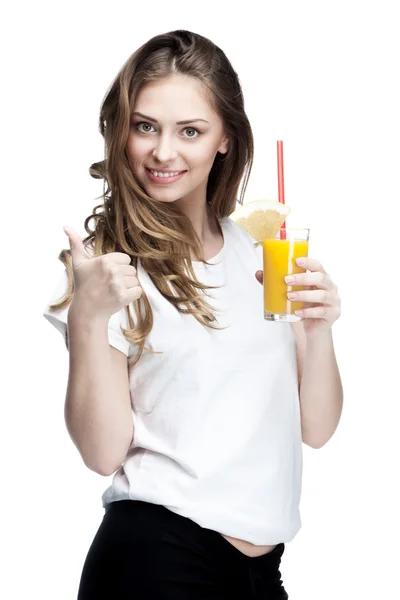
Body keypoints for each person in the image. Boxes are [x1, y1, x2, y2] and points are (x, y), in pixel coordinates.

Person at [43, 29, 343, 600]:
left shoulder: (262, 255)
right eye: (145, 125)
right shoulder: (106, 269)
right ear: (121, 131)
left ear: (225, 138)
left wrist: (320, 328)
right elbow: (101, 452)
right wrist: (87, 316)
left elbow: (318, 429)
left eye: (190, 131)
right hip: (157, 561)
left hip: (261, 573)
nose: (163, 152)